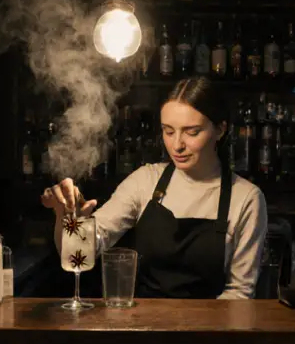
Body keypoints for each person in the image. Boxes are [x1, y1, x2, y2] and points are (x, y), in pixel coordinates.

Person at [41, 77, 268, 299]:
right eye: (168, 131)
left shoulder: (246, 198)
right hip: (143, 328)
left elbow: (240, 294)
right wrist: (67, 219)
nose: (177, 145)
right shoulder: (145, 181)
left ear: (220, 130)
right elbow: (77, 256)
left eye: (192, 132)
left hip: (209, 331)